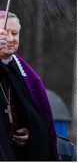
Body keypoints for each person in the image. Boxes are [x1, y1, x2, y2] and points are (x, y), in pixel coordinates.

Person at [0, 11, 58, 160]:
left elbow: (38, 117)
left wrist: (33, 133)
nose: (11, 38)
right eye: (4, 33)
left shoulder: (25, 73)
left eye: (15, 33)